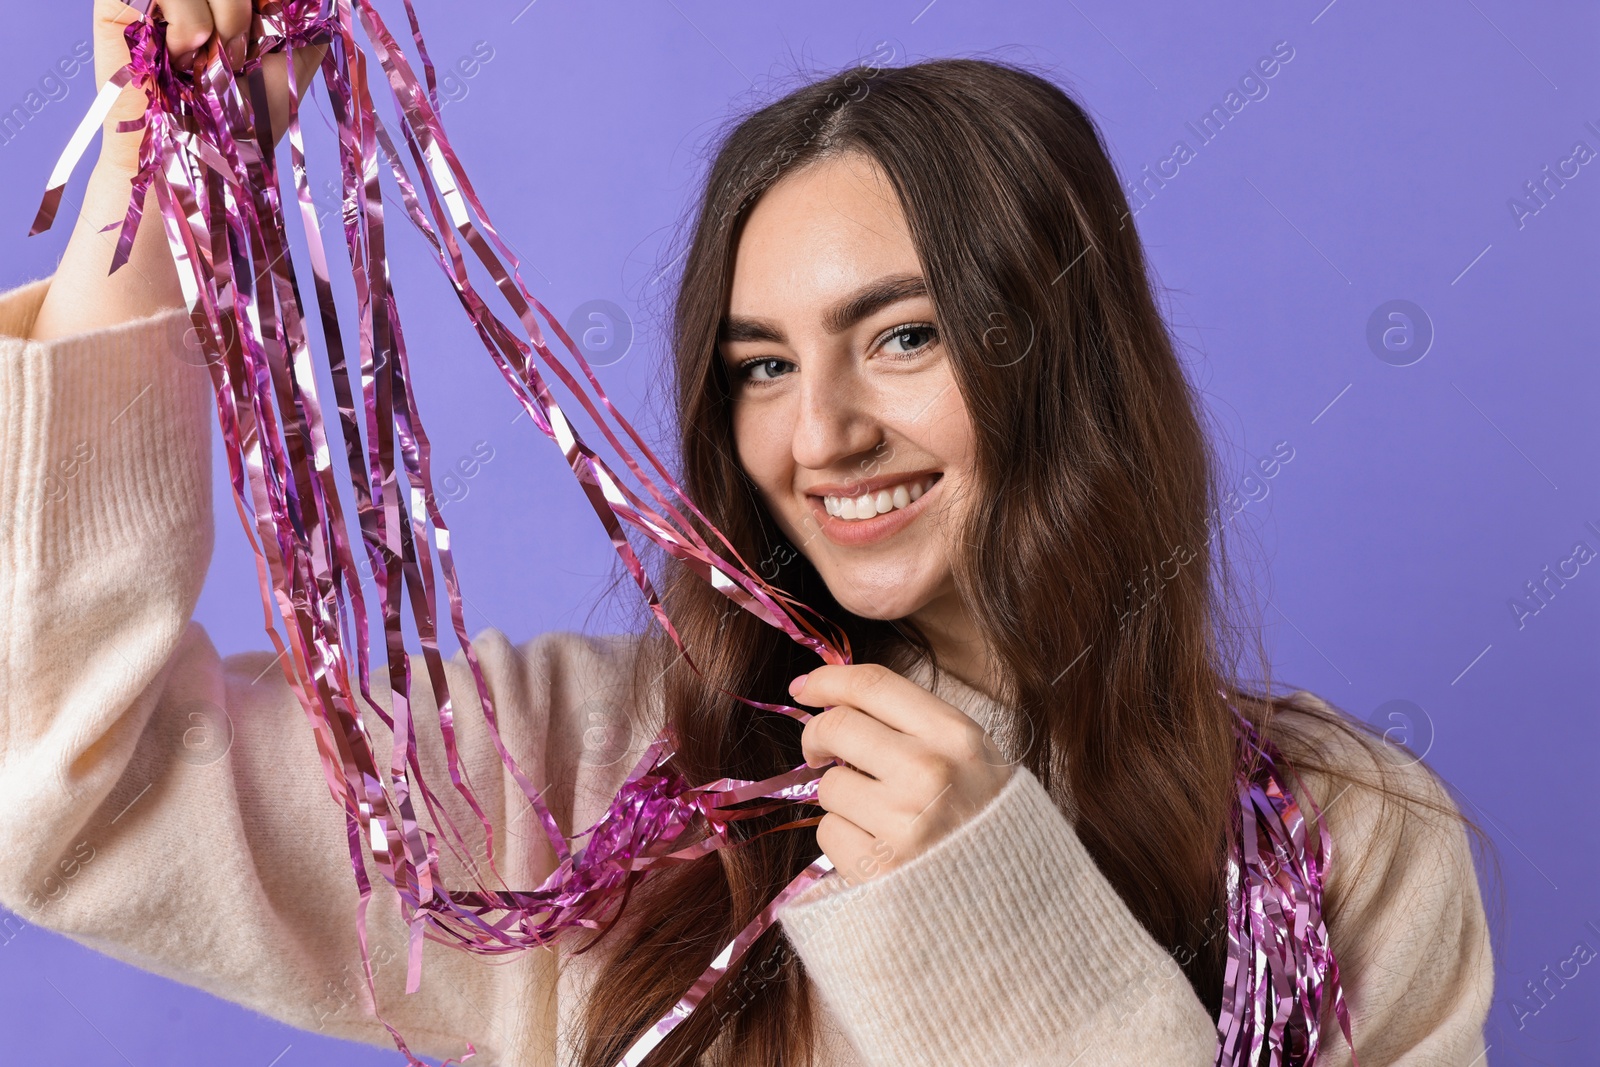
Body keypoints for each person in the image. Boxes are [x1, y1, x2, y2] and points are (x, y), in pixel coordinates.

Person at [0, 2, 1496, 1065]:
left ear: (1067, 352)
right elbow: (65, 777)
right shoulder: (577, 783)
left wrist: (997, 919)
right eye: (762, 365)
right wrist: (156, 161)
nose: (821, 432)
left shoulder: (1347, 843)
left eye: (902, 338)